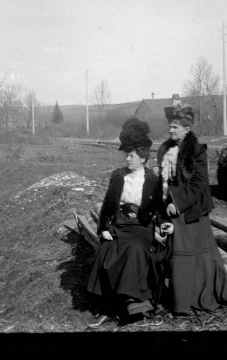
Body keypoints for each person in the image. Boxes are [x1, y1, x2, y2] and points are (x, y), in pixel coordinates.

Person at [156, 105, 227, 315]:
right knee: (177, 253)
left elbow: (199, 183)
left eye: (175, 127)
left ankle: (200, 293)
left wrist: (178, 203)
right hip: (171, 208)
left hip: (192, 208)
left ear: (186, 129)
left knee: (197, 254)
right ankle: (182, 298)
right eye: (170, 126)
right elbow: (163, 180)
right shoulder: (165, 149)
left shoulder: (197, 150)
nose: (171, 130)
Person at [86, 117, 172, 328]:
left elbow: (161, 208)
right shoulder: (118, 176)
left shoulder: (152, 180)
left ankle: (135, 306)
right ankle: (109, 307)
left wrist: (163, 223)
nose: (127, 160)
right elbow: (107, 204)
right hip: (119, 223)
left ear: (142, 158)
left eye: (131, 156)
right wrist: (104, 227)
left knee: (134, 249)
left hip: (141, 227)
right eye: (126, 156)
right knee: (106, 249)